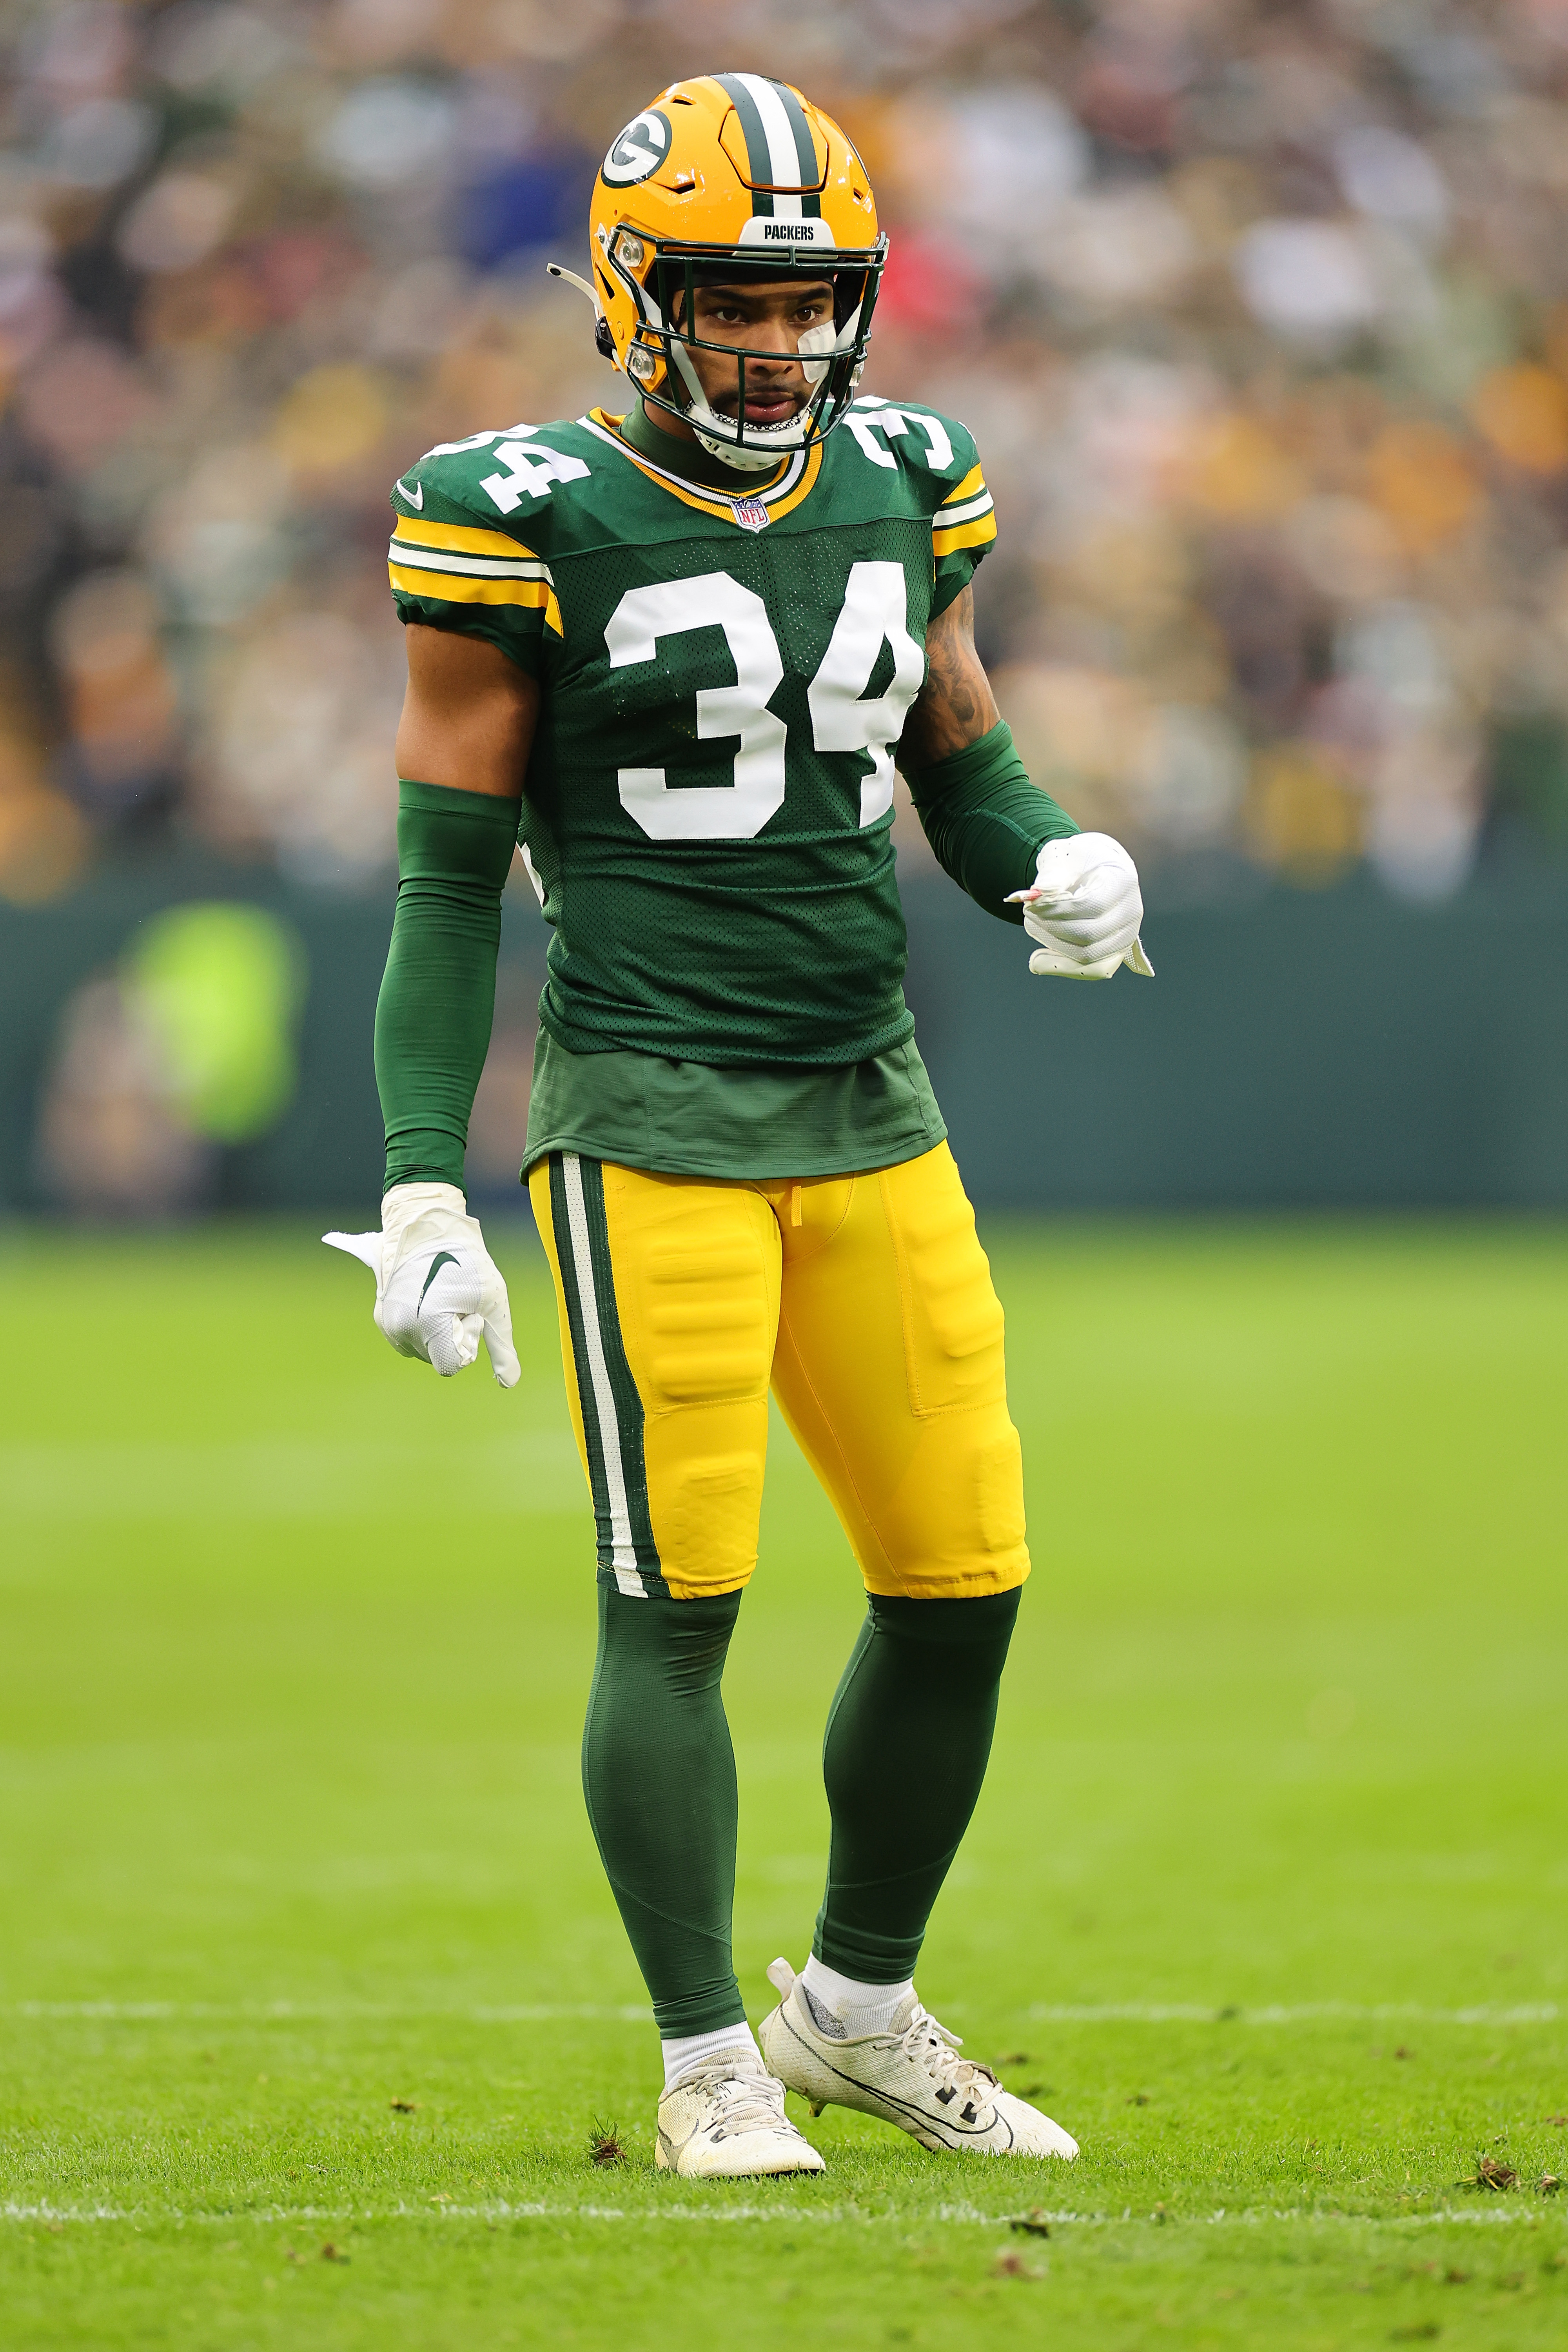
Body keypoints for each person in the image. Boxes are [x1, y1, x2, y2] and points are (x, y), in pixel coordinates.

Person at [327, 71, 1151, 2180]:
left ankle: (855, 2014)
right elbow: (443, 877)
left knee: (964, 1580)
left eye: (813, 301)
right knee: (675, 1603)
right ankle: (707, 2060)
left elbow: (958, 754)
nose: (781, 344)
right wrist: (427, 1171)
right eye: (733, 301)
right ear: (632, 296)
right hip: (650, 1116)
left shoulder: (910, 477)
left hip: (874, 1105)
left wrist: (1056, 851)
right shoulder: (516, 508)